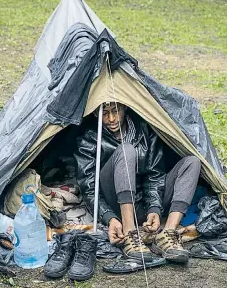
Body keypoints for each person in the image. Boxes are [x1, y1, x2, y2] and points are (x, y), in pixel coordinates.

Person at [74, 102, 201, 263]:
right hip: (117, 203)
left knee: (192, 162)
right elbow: (89, 188)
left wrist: (154, 208)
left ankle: (168, 233)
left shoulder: (143, 130)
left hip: (145, 202)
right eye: (104, 113)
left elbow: (155, 175)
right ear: (95, 114)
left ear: (125, 107)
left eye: (115, 111)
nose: (111, 118)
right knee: (126, 150)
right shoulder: (89, 137)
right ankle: (130, 233)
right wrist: (109, 217)